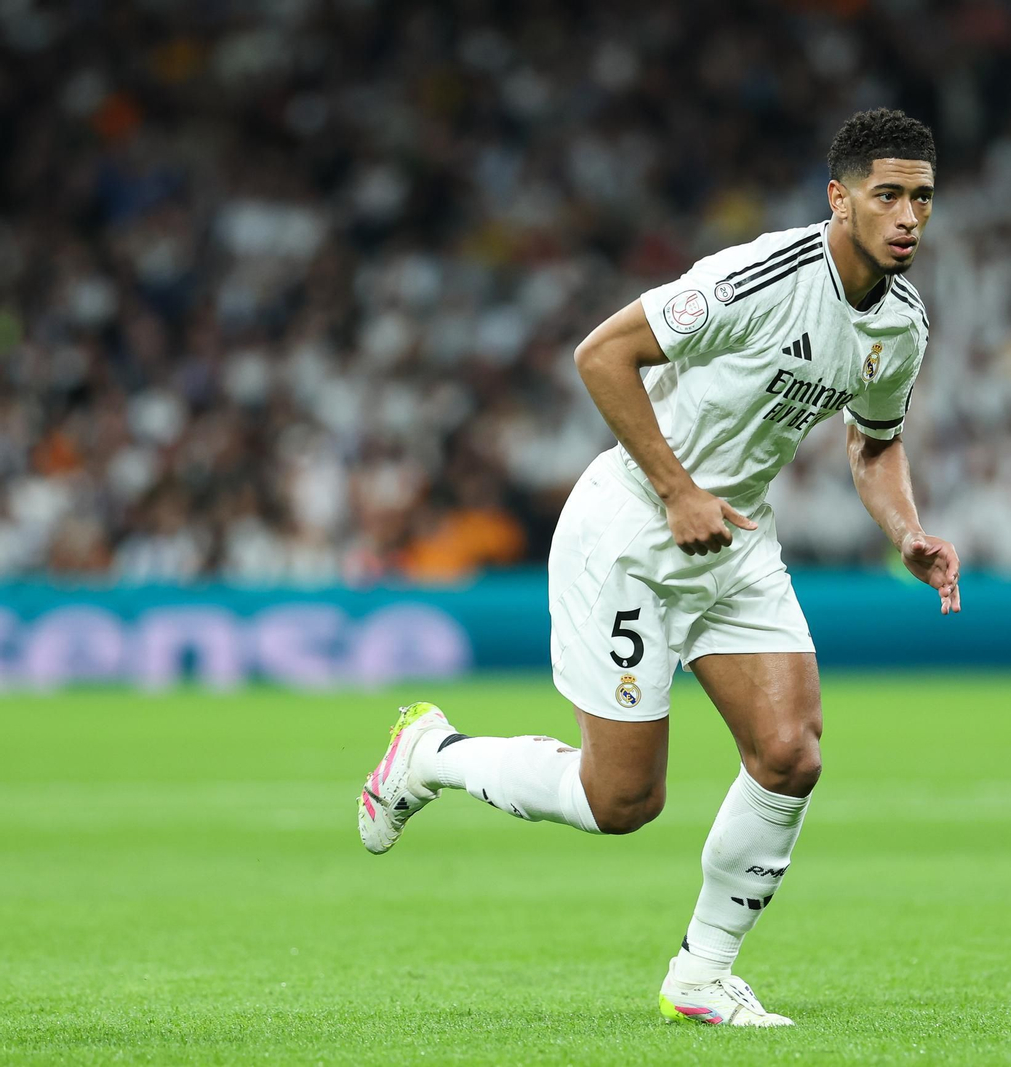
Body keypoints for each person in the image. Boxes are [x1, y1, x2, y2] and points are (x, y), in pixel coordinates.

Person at [357, 108, 960, 1027]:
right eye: (888, 195)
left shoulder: (903, 326)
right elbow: (602, 355)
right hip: (634, 532)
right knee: (622, 800)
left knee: (791, 753)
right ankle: (431, 754)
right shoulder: (761, 278)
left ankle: (702, 973)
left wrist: (906, 530)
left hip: (736, 539)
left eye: (922, 197)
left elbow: (875, 444)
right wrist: (678, 490)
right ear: (839, 199)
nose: (908, 216)